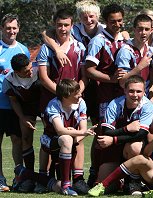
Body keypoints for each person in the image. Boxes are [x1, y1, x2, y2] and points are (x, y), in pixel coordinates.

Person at [14, 79, 95, 196]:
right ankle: (66, 185)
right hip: (50, 140)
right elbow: (60, 130)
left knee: (56, 185)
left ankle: (26, 173)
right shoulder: (54, 104)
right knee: (66, 138)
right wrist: (80, 133)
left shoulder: (81, 103)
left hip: (69, 141)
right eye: (76, 93)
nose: (80, 95)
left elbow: (83, 129)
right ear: (66, 96)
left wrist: (80, 133)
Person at [36, 8, 88, 194]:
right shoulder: (46, 48)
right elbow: (43, 77)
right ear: (54, 26)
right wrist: (62, 94)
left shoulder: (80, 47)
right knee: (49, 139)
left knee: (77, 137)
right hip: (50, 100)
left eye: (66, 25)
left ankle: (77, 178)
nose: (63, 28)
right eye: (59, 25)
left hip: (73, 100)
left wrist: (76, 93)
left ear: (72, 26)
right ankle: (45, 177)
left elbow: (84, 77)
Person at [85, 3, 128, 186]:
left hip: (124, 96)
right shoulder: (99, 40)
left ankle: (121, 177)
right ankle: (94, 174)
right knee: (102, 135)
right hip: (105, 97)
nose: (117, 24)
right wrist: (112, 79)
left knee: (120, 134)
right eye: (112, 21)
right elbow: (89, 70)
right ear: (105, 22)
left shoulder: (126, 40)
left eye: (119, 21)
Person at [91, 75, 153, 194]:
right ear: (124, 90)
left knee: (134, 146)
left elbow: (141, 134)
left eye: (139, 91)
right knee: (103, 188)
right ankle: (120, 182)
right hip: (115, 148)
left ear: (144, 91)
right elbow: (106, 132)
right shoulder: (114, 104)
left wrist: (113, 139)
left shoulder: (147, 105)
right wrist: (127, 128)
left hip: (133, 147)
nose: (135, 95)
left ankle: (132, 182)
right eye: (131, 91)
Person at [0, 13, 30, 192]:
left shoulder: (23, 49)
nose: (11, 31)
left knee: (17, 140)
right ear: (2, 29)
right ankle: (1, 179)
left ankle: (19, 177)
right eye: (8, 28)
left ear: (18, 29)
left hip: (15, 105)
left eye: (14, 28)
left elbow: (26, 75)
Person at [3, 54, 40, 173]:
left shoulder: (39, 70)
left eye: (30, 68)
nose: (30, 72)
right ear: (16, 72)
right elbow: (13, 101)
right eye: (26, 71)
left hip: (44, 105)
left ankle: (48, 174)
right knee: (25, 137)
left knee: (50, 136)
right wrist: (22, 118)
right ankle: (29, 175)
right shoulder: (9, 80)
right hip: (26, 108)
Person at [115, 14, 153, 101]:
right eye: (140, 29)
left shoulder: (150, 50)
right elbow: (122, 82)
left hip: (145, 101)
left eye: (147, 29)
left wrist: (151, 99)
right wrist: (139, 67)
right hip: (127, 101)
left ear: (151, 30)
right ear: (134, 29)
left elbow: (152, 78)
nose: (143, 33)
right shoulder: (125, 51)